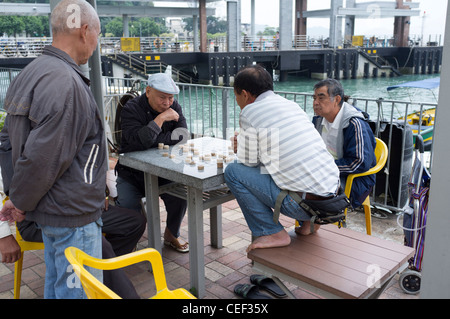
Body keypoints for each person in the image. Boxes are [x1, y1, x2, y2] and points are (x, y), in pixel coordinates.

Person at [0, 0, 106, 299]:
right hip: (72, 211)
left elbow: (7, 143)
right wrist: (19, 201)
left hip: (50, 209)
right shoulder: (67, 83)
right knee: (77, 292)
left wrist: (17, 196)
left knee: (59, 285)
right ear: (85, 31)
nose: (95, 45)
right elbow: (42, 159)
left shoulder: (30, 72)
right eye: (97, 35)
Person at [224, 65, 341, 252]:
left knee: (232, 171)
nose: (237, 100)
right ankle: (308, 225)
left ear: (244, 94)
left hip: (303, 204)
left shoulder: (249, 112)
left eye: (236, 95)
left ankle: (270, 231)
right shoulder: (291, 105)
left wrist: (240, 149)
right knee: (293, 168)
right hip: (333, 197)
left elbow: (250, 163)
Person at [115, 73, 189, 253]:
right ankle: (128, 241)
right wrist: (160, 120)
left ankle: (172, 234)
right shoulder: (131, 108)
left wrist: (150, 138)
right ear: (148, 91)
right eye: (162, 97)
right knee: (128, 210)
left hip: (164, 171)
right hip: (132, 173)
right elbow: (135, 141)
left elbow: (183, 135)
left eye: (171, 98)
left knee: (180, 198)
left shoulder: (174, 105)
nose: (167, 103)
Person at [312, 78, 376, 208]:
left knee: (310, 190)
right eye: (314, 98)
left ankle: (310, 225)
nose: (315, 103)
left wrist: (324, 168)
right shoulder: (318, 120)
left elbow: (359, 163)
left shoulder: (354, 123)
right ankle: (308, 225)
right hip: (327, 172)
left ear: (337, 99)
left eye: (321, 98)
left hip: (355, 180)